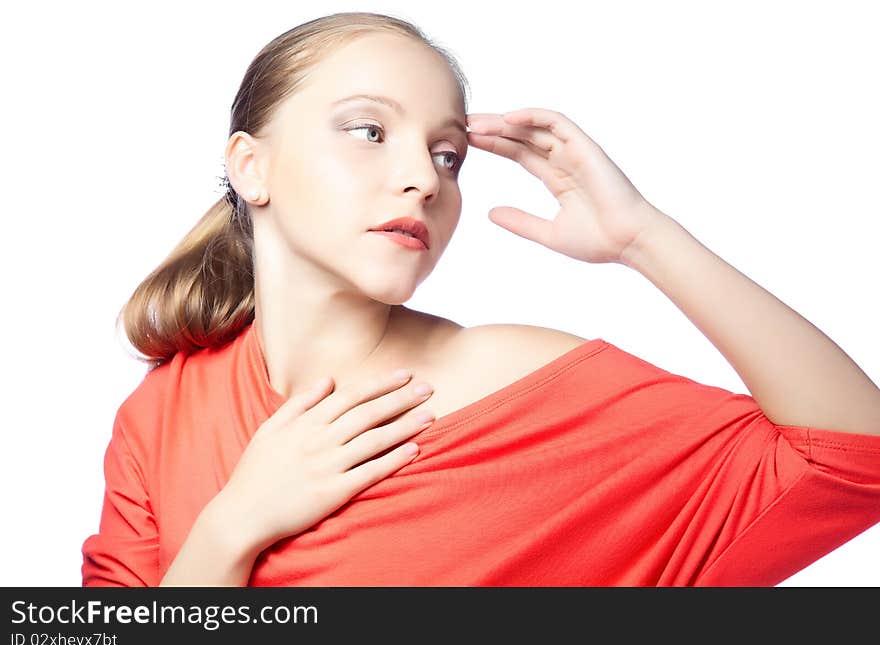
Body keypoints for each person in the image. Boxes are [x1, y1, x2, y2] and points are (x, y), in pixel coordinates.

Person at [81, 11, 880, 587]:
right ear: (251, 168)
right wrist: (233, 525)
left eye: (449, 154)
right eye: (368, 131)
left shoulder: (519, 383)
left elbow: (854, 457)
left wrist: (643, 237)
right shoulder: (160, 416)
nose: (425, 179)